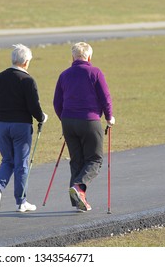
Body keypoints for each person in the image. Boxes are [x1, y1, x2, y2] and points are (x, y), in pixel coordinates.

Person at [53, 42, 115, 212]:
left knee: (77, 161)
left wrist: (64, 118)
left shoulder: (64, 74)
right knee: (95, 159)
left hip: (68, 121)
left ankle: (78, 202)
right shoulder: (95, 72)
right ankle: (79, 189)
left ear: (73, 57)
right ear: (89, 57)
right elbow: (105, 97)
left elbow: (57, 102)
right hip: (89, 121)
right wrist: (109, 117)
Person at [0, 44, 48, 213]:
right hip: (21, 126)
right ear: (26, 62)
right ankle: (21, 202)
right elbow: (34, 106)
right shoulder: (28, 80)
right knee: (21, 163)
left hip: (2, 125)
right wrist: (42, 117)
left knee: (7, 160)